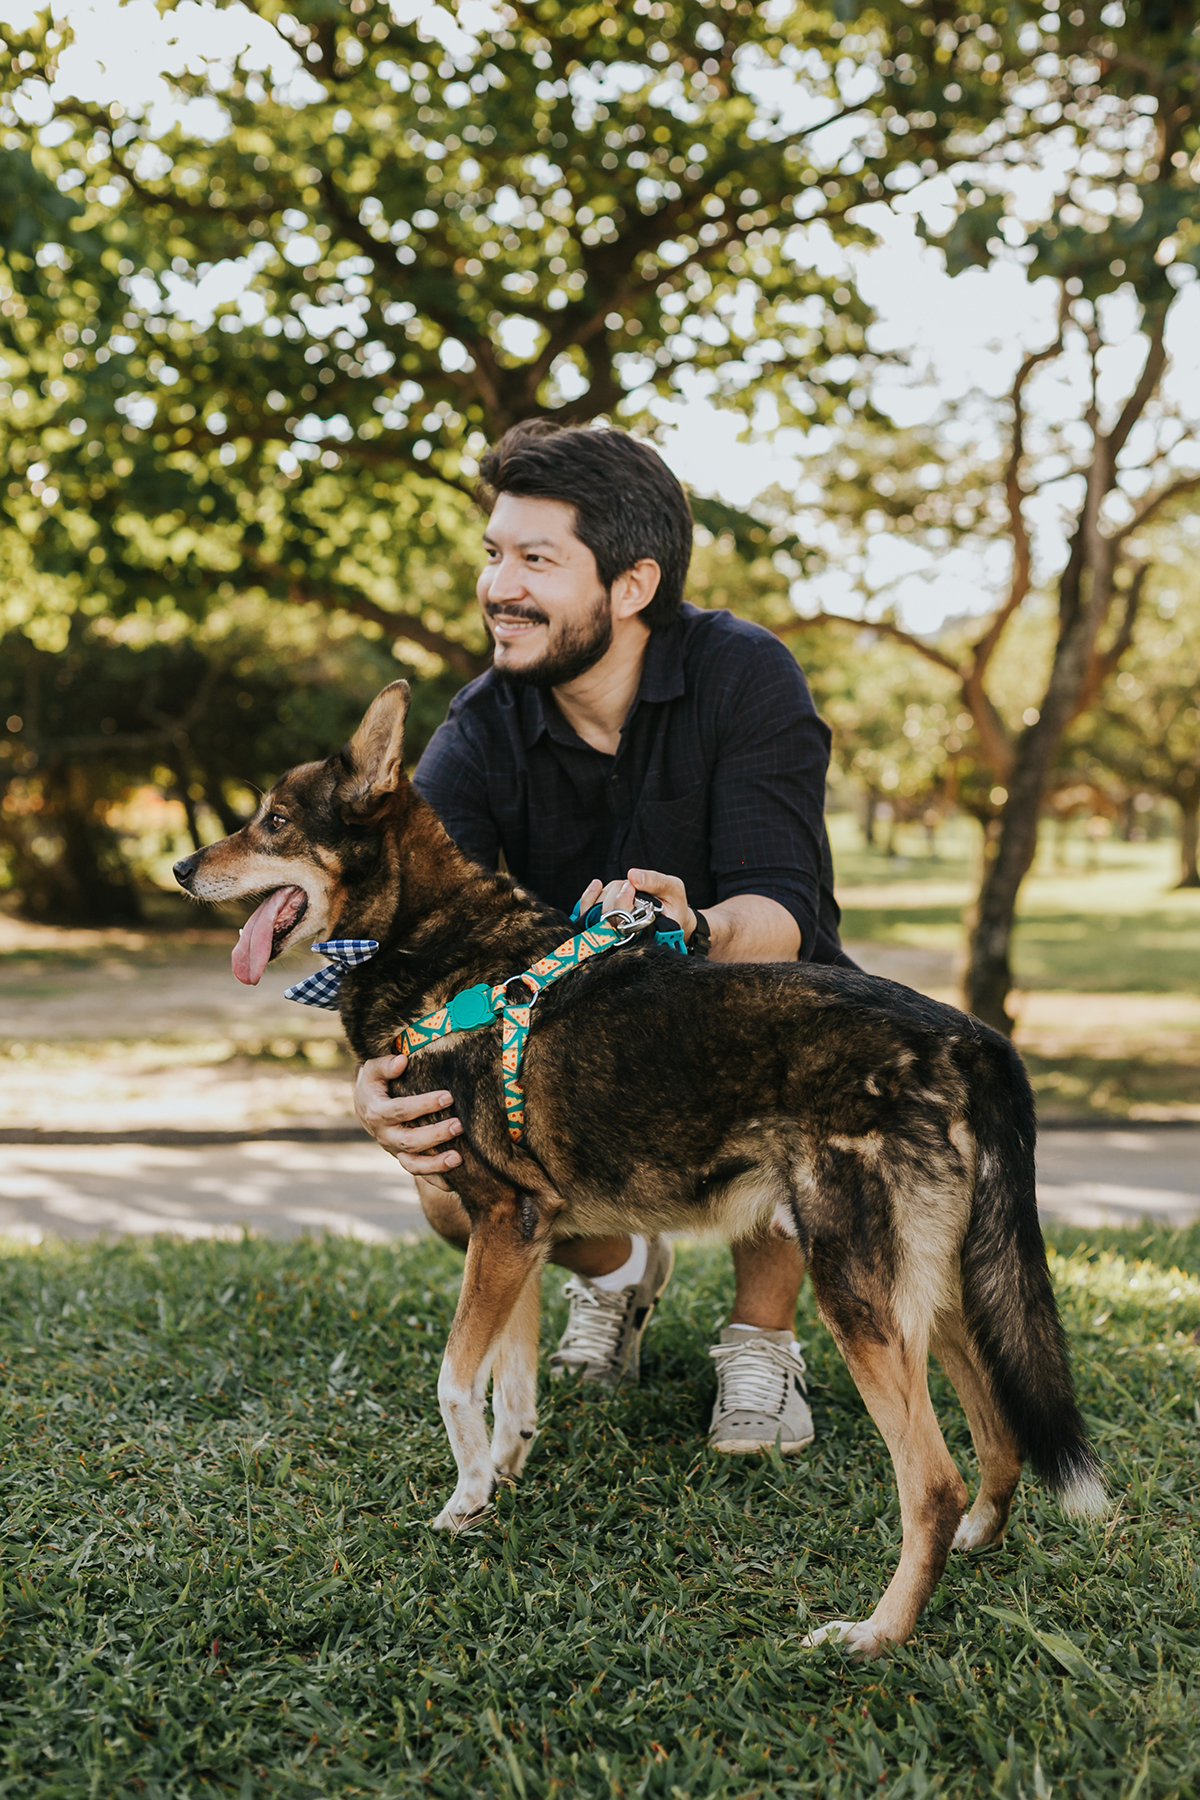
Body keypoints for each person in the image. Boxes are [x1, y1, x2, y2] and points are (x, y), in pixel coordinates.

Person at [354, 420, 853, 1456]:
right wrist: (376, 1074)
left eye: (538, 560)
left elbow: (782, 911)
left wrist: (696, 927)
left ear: (631, 586)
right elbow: (401, 932)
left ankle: (760, 1339)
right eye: (496, 553)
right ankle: (621, 1272)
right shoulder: (483, 724)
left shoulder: (746, 677)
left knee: (774, 1026)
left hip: (748, 1016)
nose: (501, 586)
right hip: (578, 1059)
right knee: (449, 1181)